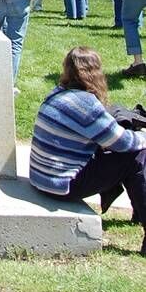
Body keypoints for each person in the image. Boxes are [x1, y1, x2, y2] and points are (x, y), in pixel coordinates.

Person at [29, 47, 146, 257]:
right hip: (62, 185)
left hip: (41, 178)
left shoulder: (57, 93)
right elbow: (123, 142)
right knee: (136, 154)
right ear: (96, 73)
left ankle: (139, 212)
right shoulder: (85, 104)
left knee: (123, 154)